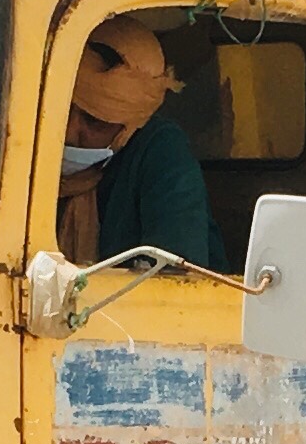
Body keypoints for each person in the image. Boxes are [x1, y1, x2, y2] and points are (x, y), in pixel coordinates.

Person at [55, 23, 221, 270]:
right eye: (63, 110)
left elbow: (173, 276)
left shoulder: (161, 152)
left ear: (129, 127)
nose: (69, 132)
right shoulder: (19, 142)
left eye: (95, 121)